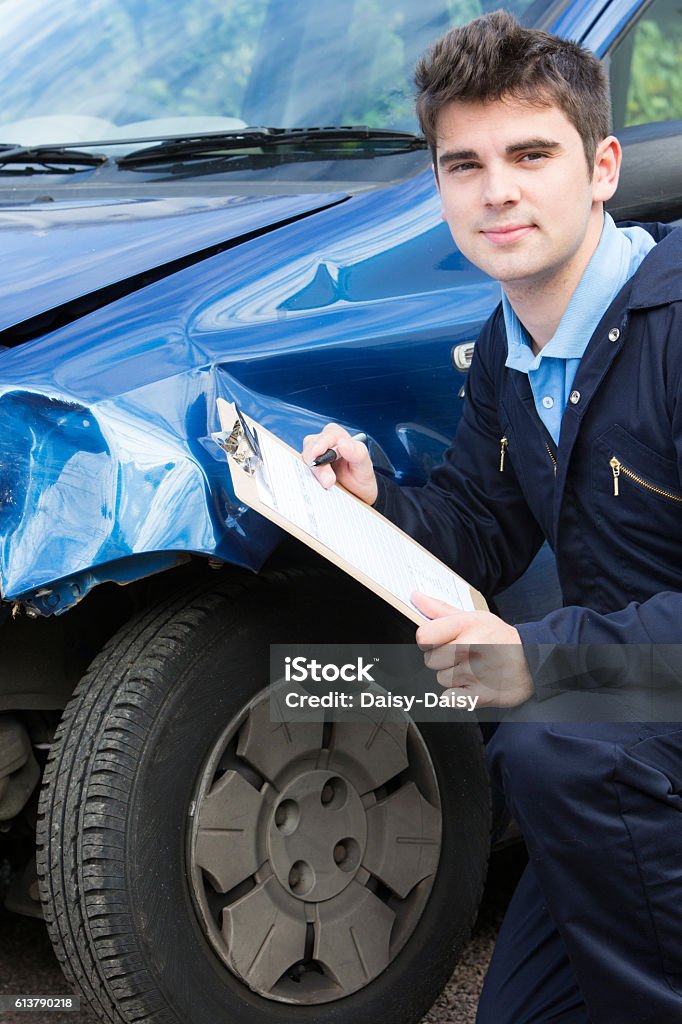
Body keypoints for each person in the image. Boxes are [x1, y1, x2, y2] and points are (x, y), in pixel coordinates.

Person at [302, 11, 682, 1024]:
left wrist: (542, 658)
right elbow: (482, 523)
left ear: (602, 166)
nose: (496, 189)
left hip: (631, 724)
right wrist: (377, 501)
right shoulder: (506, 345)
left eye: (529, 153)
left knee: (551, 736)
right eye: (461, 164)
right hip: (638, 717)